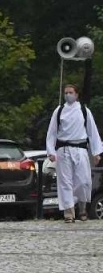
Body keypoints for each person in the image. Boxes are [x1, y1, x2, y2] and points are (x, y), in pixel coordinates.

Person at [45, 84, 102, 222]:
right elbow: (52, 132)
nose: (68, 95)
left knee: (83, 181)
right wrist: (51, 151)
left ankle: (82, 208)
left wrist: (96, 152)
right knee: (65, 182)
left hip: (80, 149)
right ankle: (68, 213)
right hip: (63, 150)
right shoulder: (59, 111)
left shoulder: (84, 110)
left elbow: (92, 132)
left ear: (76, 95)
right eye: (66, 92)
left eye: (70, 92)